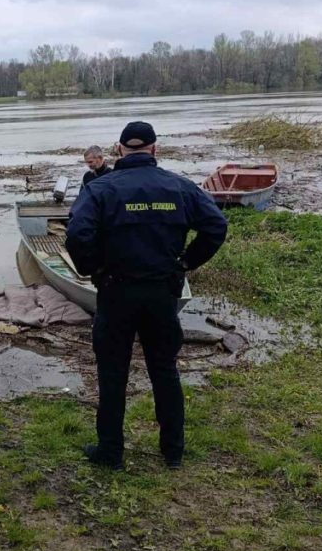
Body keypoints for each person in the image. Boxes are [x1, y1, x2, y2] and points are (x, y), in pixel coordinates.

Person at [66, 121, 227, 470]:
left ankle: (110, 451)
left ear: (120, 150)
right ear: (155, 149)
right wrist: (185, 262)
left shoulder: (101, 188)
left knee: (112, 372)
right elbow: (216, 225)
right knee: (164, 370)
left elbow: (77, 233)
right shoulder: (179, 187)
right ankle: (173, 451)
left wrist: (92, 269)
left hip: (116, 292)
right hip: (161, 293)